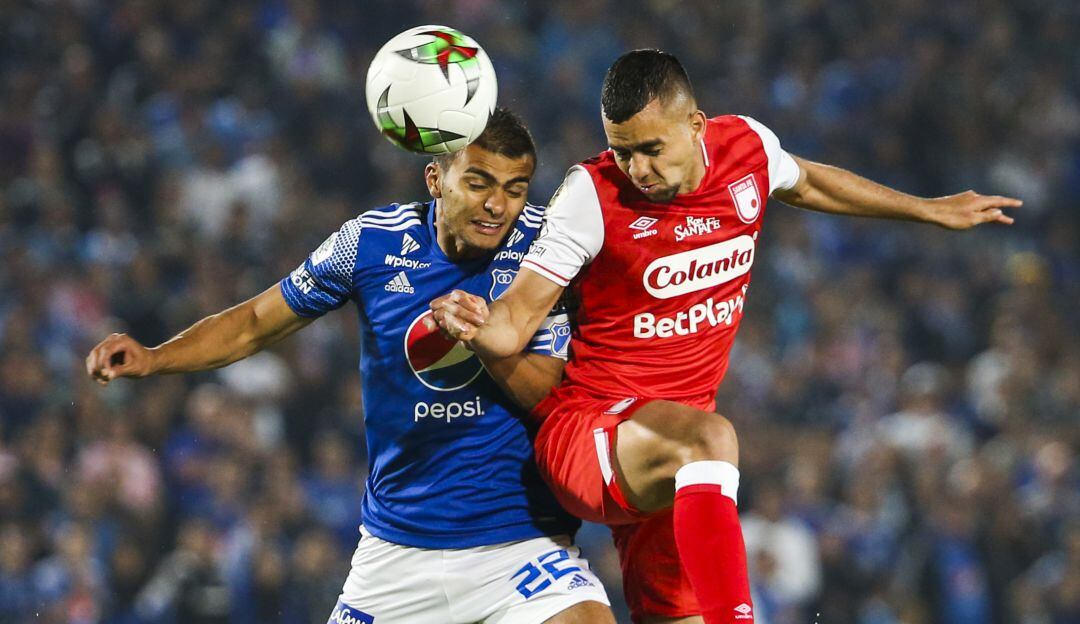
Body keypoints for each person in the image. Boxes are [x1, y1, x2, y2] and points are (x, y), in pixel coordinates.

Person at [430, 50, 1022, 624]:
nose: (638, 168)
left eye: (651, 149)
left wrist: (925, 209)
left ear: (695, 126)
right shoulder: (592, 194)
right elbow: (514, 322)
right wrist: (468, 318)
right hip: (592, 430)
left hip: (677, 461)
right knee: (714, 439)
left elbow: (810, 182)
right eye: (623, 150)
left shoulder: (748, 148)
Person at [85, 108, 615, 624]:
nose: (498, 205)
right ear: (435, 178)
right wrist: (155, 358)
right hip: (396, 555)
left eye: (516, 189)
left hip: (522, 545)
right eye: (479, 183)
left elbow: (548, 396)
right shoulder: (369, 242)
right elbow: (254, 322)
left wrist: (486, 342)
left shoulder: (544, 254)